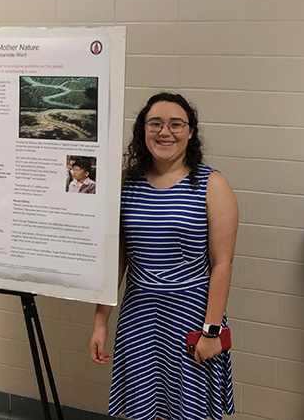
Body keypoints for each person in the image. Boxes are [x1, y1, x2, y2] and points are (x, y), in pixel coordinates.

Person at [91, 92, 237, 420]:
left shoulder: (212, 184)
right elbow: (117, 260)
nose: (164, 132)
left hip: (193, 317)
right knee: (145, 411)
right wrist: (101, 322)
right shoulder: (127, 184)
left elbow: (222, 264)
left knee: (190, 412)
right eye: (155, 123)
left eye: (175, 124)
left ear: (191, 132)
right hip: (139, 317)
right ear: (143, 130)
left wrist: (211, 331)